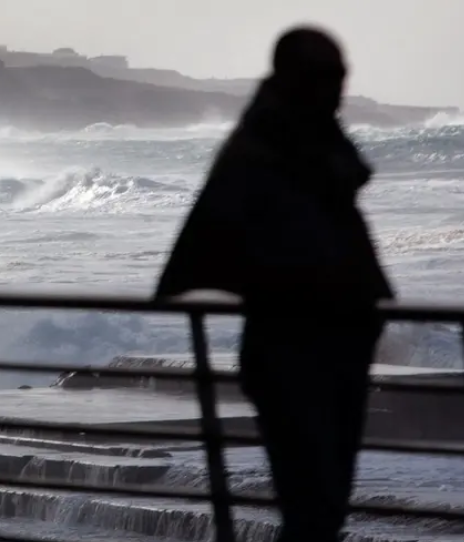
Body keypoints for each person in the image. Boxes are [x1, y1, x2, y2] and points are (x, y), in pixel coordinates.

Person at [156, 27, 394, 542]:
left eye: (340, 76)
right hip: (293, 350)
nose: (338, 89)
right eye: (327, 77)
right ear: (297, 78)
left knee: (323, 509)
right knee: (311, 507)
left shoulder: (305, 135)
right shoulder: (268, 146)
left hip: (336, 346)